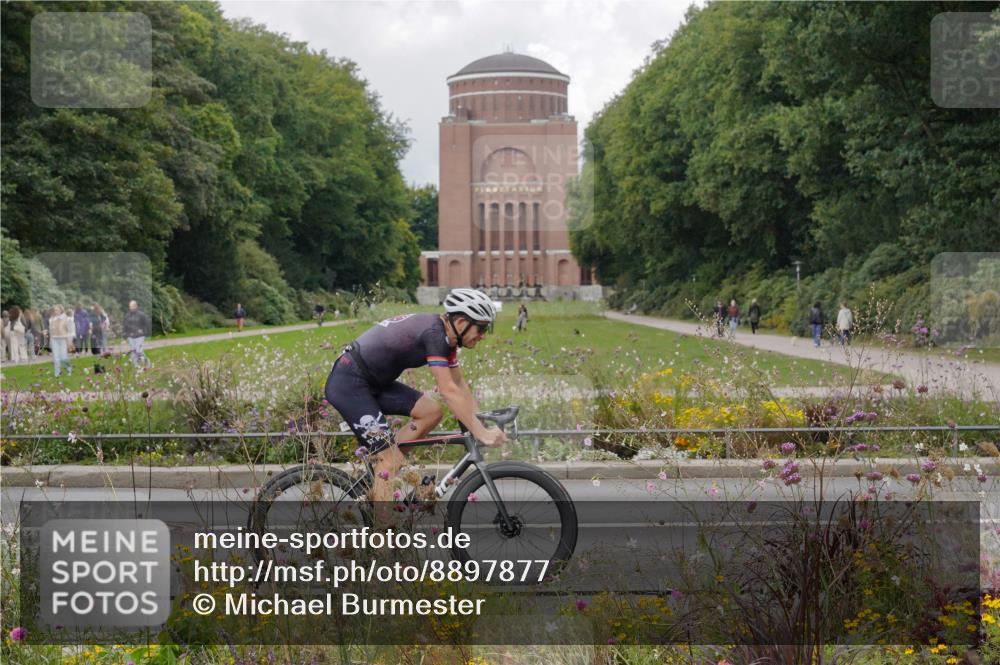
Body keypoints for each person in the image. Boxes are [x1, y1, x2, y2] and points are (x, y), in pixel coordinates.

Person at [324, 288, 506, 513]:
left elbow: (460, 386)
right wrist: (482, 433)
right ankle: (382, 542)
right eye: (482, 327)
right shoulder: (434, 335)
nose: (483, 335)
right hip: (349, 383)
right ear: (461, 322)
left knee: (431, 411)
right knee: (390, 461)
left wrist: (480, 422)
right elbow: (448, 390)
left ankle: (382, 468)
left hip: (373, 383)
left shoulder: (446, 339)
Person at [123, 300, 151, 368]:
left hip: (139, 336)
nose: (131, 307)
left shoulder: (141, 315)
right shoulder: (127, 316)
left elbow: (147, 324)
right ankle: (136, 367)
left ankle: (147, 363)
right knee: (133, 351)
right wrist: (125, 335)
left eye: (133, 306)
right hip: (131, 336)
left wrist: (144, 331)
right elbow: (125, 326)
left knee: (138, 350)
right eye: (130, 306)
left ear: (136, 306)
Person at [48, 305, 73, 377]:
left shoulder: (66, 319)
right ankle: (57, 373)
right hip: (54, 339)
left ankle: (69, 370)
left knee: (63, 356)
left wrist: (69, 341)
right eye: (55, 310)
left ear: (61, 310)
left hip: (63, 339)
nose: (55, 311)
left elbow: (70, 331)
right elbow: (51, 331)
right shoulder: (52, 319)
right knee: (56, 357)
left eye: (57, 310)